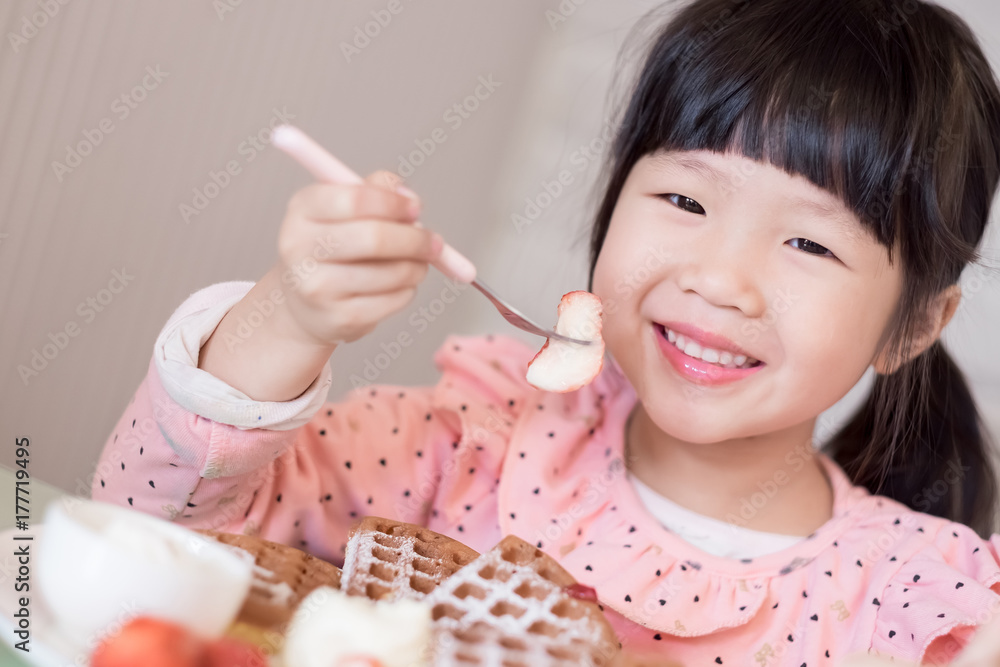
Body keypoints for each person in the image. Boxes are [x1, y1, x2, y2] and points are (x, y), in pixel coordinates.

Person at [92, 0, 1000, 663]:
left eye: (808, 240)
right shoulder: (474, 443)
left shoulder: (918, 605)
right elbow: (153, 533)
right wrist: (288, 316)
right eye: (684, 198)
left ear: (915, 323)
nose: (719, 279)